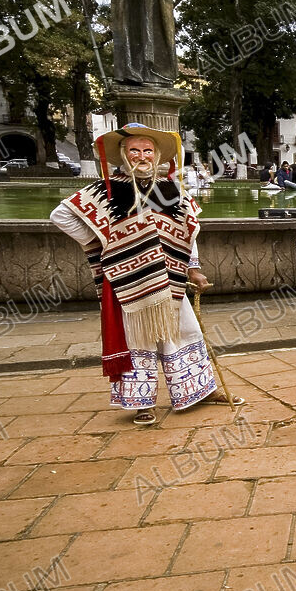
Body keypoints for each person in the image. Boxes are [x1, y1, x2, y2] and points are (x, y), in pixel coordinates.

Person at [50, 123, 243, 426]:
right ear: (124, 155)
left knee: (185, 333)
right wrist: (102, 242)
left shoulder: (172, 189)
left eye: (147, 150)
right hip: (131, 281)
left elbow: (188, 233)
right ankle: (143, 403)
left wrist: (193, 267)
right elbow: (60, 215)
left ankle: (200, 390)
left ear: (156, 155)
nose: (142, 156)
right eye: (135, 150)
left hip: (172, 279)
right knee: (139, 340)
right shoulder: (107, 189)